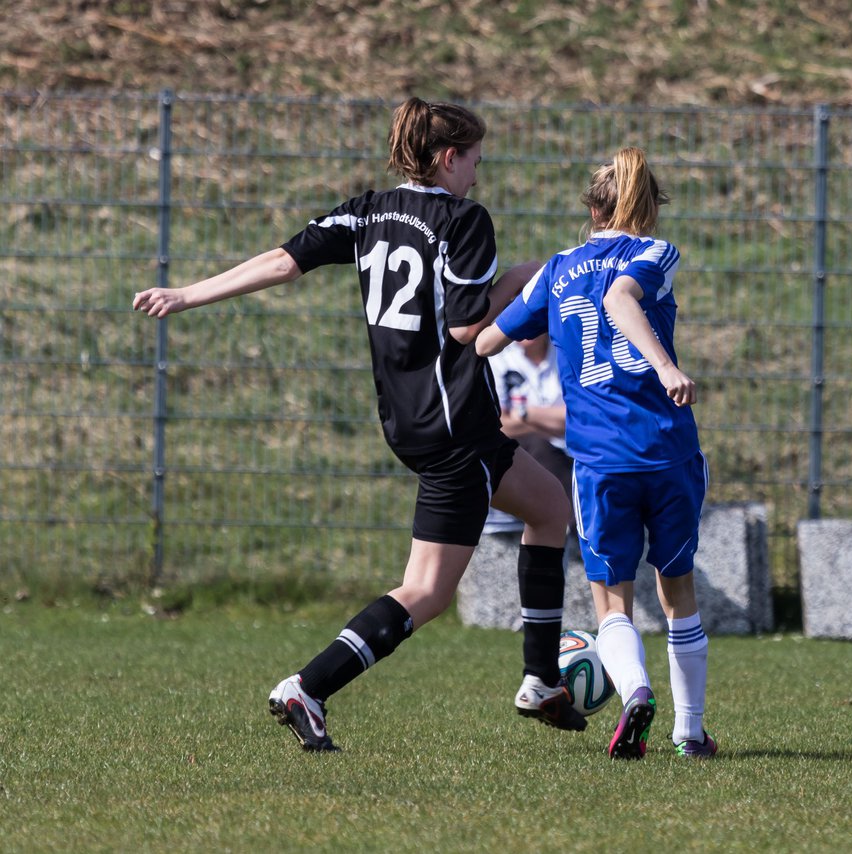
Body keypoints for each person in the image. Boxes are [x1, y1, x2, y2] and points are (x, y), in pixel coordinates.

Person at [133, 97, 586, 751]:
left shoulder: (368, 209)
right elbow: (466, 325)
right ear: (449, 158)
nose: (478, 178)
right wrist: (523, 279)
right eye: (475, 163)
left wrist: (187, 293)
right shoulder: (464, 221)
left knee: (548, 507)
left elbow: (284, 261)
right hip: (455, 424)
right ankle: (308, 687)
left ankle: (541, 678)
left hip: (409, 419)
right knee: (426, 591)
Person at [476, 147, 716, 760]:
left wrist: (507, 287)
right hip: (665, 448)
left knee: (612, 598)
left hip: (599, 459)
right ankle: (689, 733)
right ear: (649, 210)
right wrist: (664, 365)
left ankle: (634, 690)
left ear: (591, 209)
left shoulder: (557, 269)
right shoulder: (654, 252)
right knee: (677, 590)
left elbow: (485, 340)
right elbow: (620, 299)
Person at [482, 334, 574, 535]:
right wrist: (552, 421)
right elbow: (496, 424)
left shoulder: (567, 352)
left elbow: (581, 418)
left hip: (573, 452)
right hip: (530, 453)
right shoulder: (496, 357)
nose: (526, 331)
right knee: (538, 445)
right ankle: (570, 517)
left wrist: (525, 414)